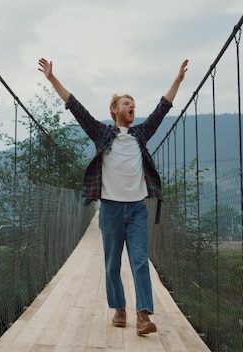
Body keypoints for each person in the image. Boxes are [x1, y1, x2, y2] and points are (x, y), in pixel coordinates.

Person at [38, 57, 188, 335]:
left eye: (133, 104)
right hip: (110, 209)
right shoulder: (102, 133)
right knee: (112, 265)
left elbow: (162, 109)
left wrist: (178, 79)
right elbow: (76, 108)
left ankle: (143, 315)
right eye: (126, 104)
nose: (132, 107)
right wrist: (51, 79)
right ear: (115, 110)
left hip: (137, 210)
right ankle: (120, 308)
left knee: (140, 261)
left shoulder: (140, 134)